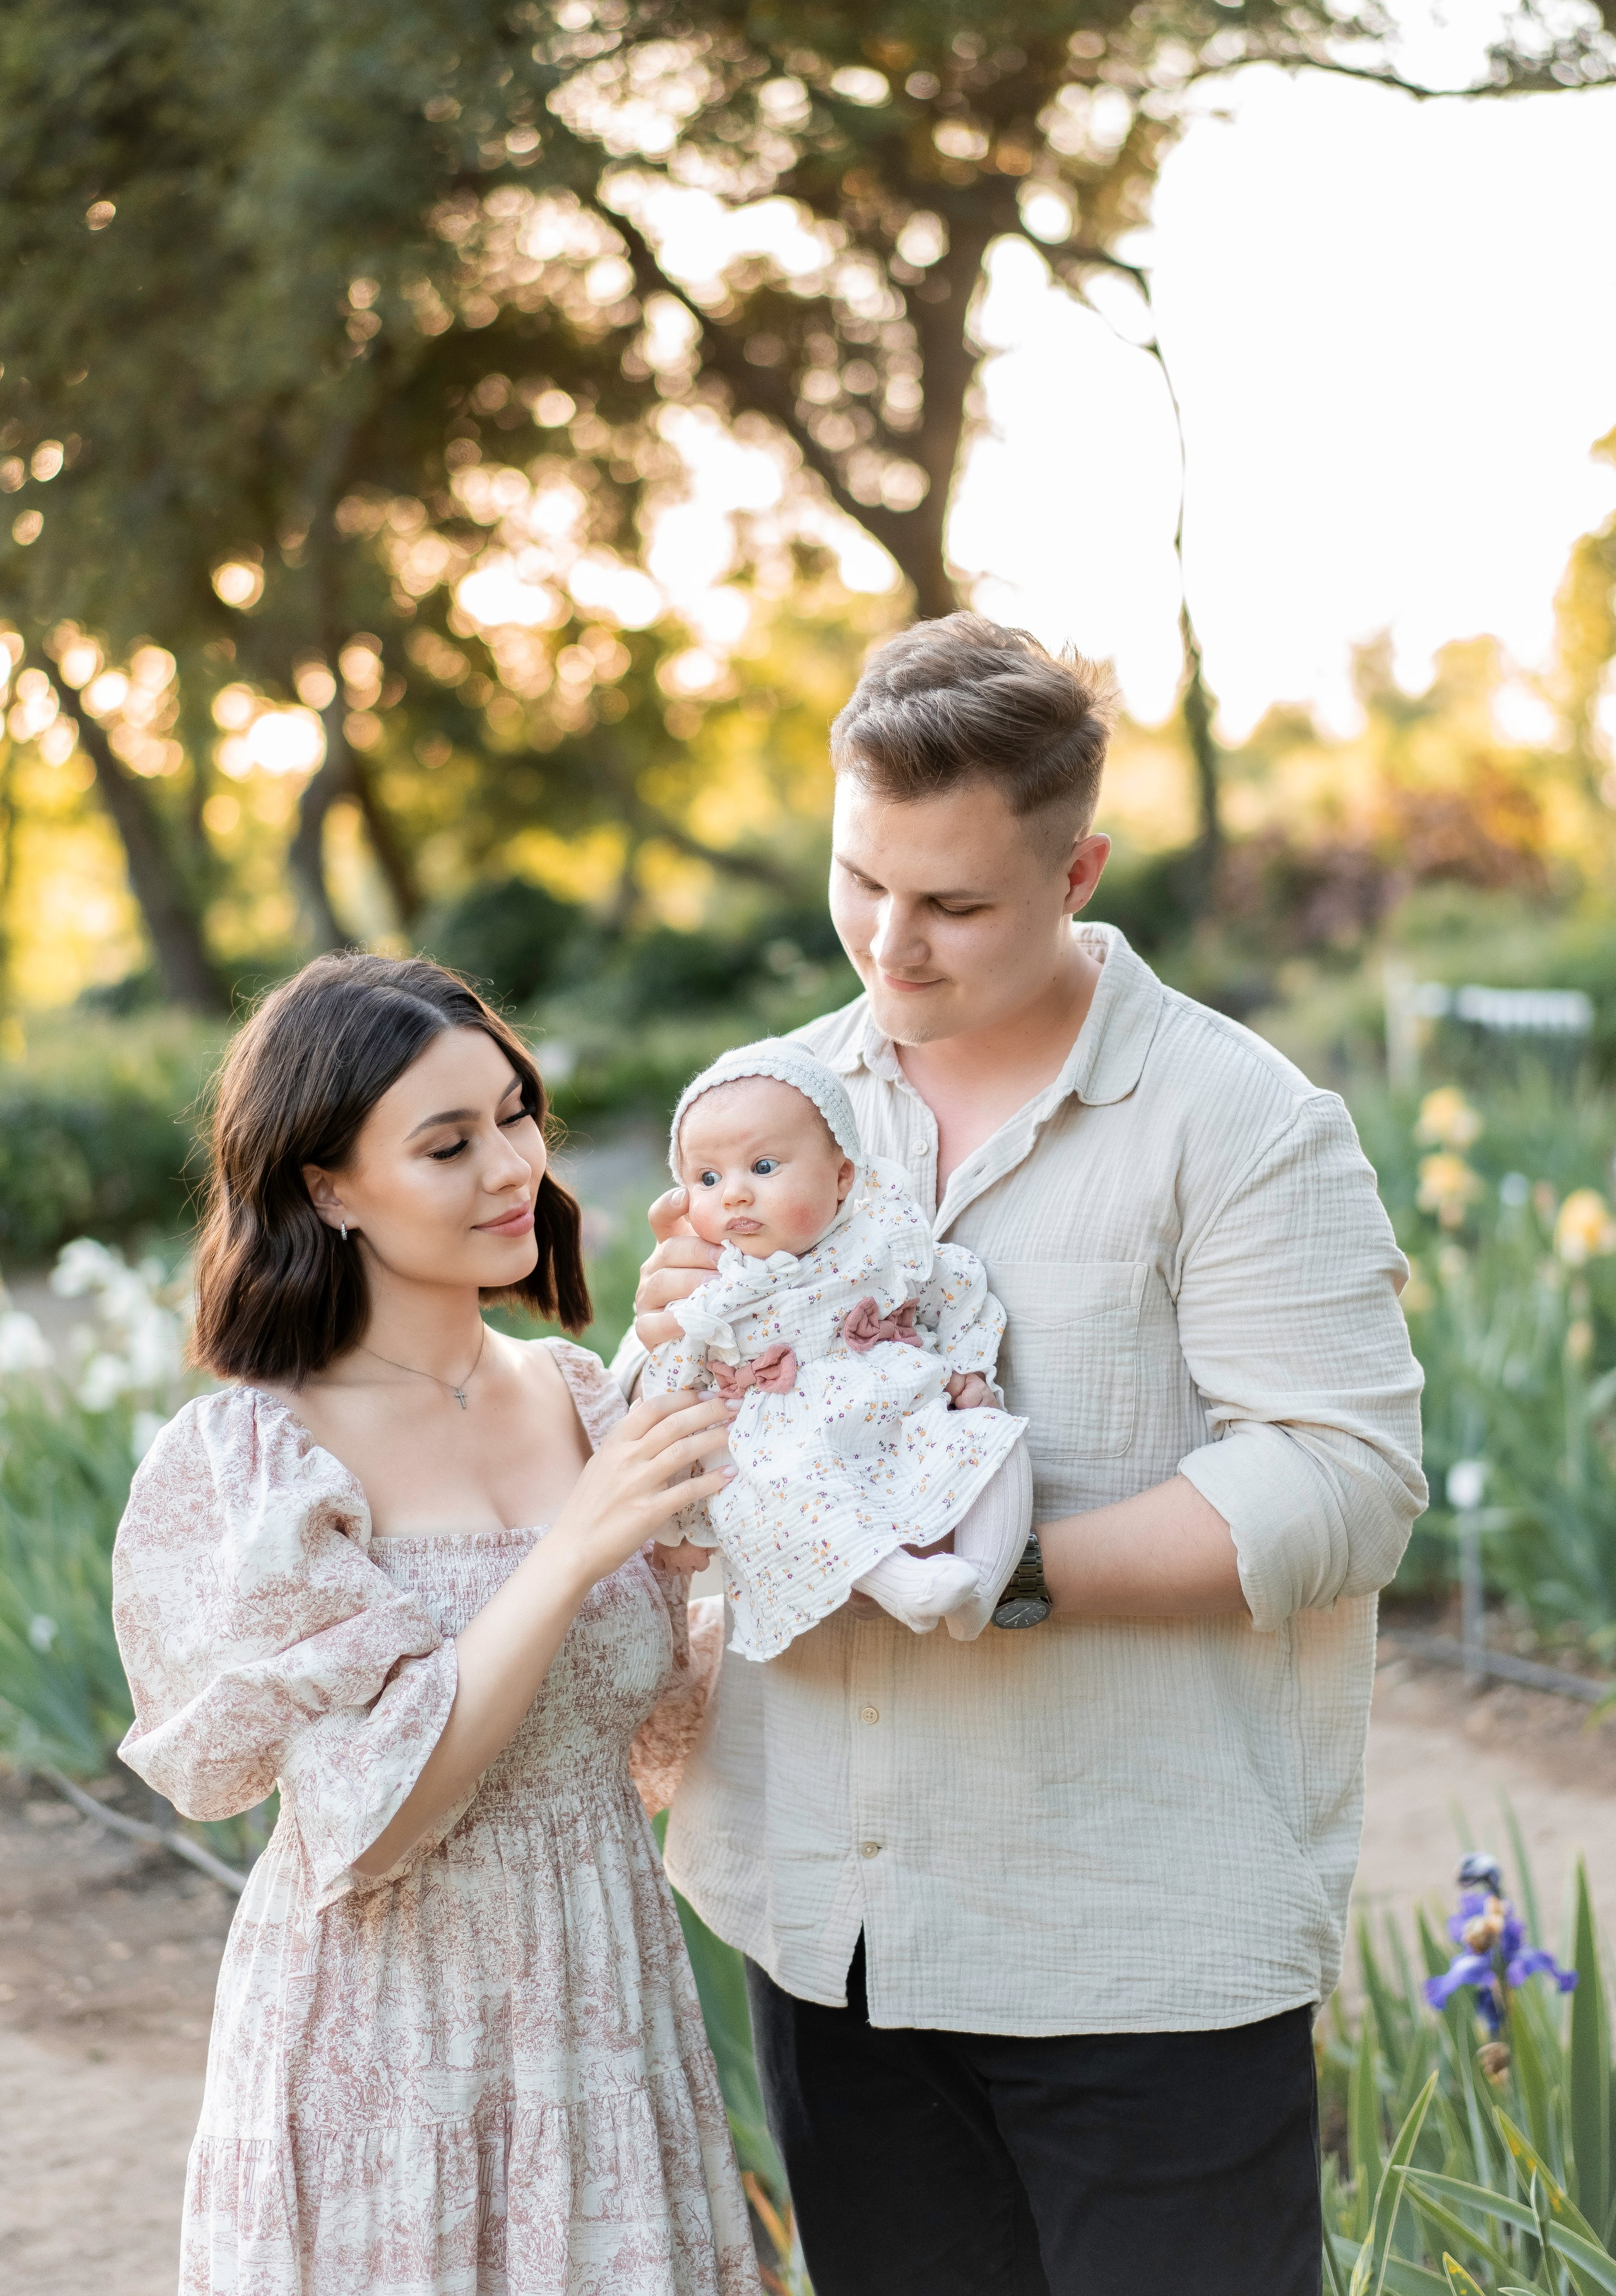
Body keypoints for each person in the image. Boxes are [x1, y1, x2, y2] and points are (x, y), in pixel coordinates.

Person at [619, 614, 1427, 2296]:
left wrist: (1008, 1572)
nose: (889, 948)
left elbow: (1348, 1480)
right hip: (823, 1919)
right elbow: (676, 1446)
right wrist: (663, 1344)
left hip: (1133, 1935)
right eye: (860, 881)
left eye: (955, 904)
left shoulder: (1243, 1119)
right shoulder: (772, 1105)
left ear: (1079, 870)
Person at [111, 953, 761, 2296]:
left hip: (602, 2024)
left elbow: (667, 1719)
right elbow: (378, 1822)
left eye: (515, 1115)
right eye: (448, 1143)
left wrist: (763, 1346)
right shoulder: (258, 1460)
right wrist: (577, 1543)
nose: (512, 1165)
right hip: (382, 2048)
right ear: (326, 1186)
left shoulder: (590, 1398)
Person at [643, 1038, 1032, 1656]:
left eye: (763, 1167)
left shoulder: (879, 1243)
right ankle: (903, 1582)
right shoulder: (711, 1293)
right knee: (791, 1499)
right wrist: (676, 1517)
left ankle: (983, 1581)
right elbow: (671, 1392)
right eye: (708, 1178)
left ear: (842, 1176)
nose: (735, 1194)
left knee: (989, 1438)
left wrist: (967, 1367)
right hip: (788, 1446)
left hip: (896, 1408)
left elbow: (956, 1289)